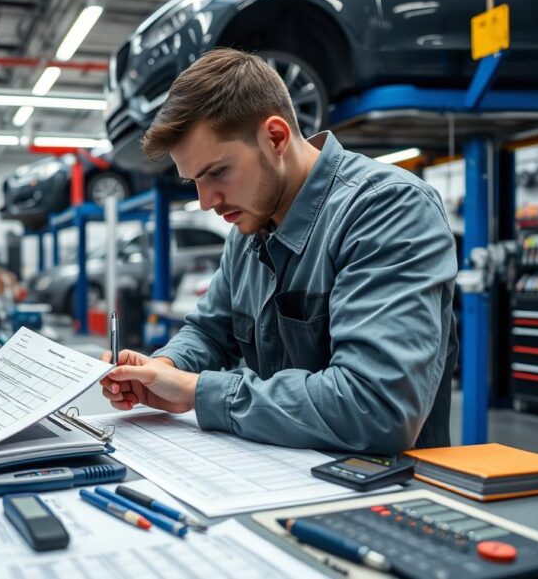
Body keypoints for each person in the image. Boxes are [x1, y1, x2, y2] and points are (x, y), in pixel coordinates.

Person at [101, 49, 458, 454]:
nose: (206, 202)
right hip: (282, 478)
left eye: (217, 172)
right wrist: (163, 369)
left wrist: (199, 391)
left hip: (382, 493)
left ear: (275, 137)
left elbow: (376, 408)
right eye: (193, 182)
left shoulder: (387, 209)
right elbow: (209, 331)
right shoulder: (249, 226)